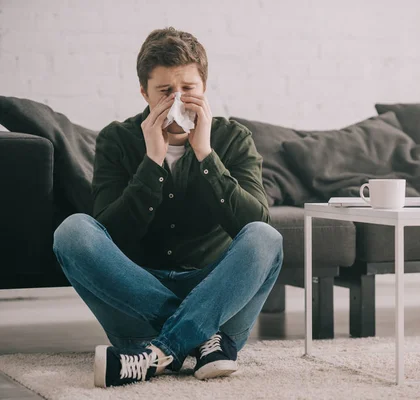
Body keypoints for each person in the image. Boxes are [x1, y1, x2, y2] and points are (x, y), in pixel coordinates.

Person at [52, 27, 283, 388]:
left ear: (204, 88)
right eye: (164, 92)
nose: (177, 101)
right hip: (138, 297)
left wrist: (206, 155)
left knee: (266, 237)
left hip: (218, 294)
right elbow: (110, 236)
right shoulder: (117, 139)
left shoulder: (233, 139)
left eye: (188, 89)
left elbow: (255, 224)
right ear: (144, 93)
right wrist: (153, 160)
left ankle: (155, 355)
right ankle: (199, 336)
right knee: (72, 232)